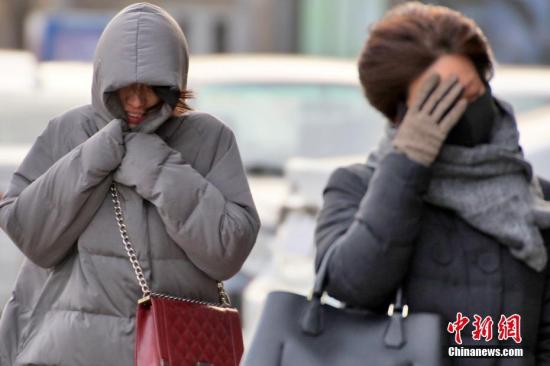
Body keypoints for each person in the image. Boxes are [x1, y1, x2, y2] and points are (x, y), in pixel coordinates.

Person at [0, 3, 260, 365]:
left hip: (174, 350)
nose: (137, 101)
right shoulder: (69, 131)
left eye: (150, 87)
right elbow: (32, 236)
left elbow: (228, 250)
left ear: (173, 84)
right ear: (105, 79)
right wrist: (96, 154)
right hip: (72, 352)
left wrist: (156, 166)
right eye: (124, 88)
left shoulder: (209, 138)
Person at [314, 2, 550, 365]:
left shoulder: (538, 199)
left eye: (472, 94)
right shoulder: (356, 188)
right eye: (442, 103)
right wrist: (409, 161)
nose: (464, 111)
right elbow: (354, 287)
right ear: (401, 112)